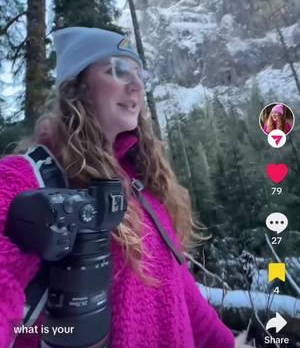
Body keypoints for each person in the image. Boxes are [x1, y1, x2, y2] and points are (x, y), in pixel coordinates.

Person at [0, 27, 235, 348]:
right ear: (77, 88)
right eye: (118, 69)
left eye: (140, 74)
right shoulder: (25, 180)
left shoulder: (146, 187)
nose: (136, 85)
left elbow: (180, 293)